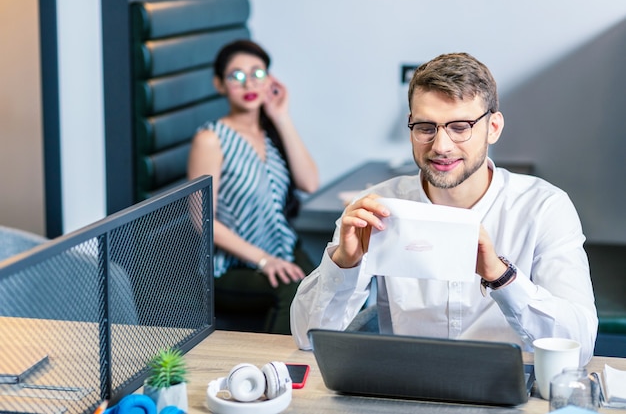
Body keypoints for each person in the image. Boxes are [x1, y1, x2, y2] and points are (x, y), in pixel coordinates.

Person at [290, 52, 598, 364]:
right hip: (407, 391)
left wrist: (500, 275)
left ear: (493, 127)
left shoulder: (543, 207)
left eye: (460, 127)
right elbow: (307, 337)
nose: (441, 146)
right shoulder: (377, 207)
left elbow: (580, 345)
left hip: (509, 396)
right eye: (425, 127)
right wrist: (344, 264)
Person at [188, 39, 319, 334]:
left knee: (330, 285)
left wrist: (281, 116)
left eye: (257, 73)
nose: (249, 83)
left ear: (270, 81)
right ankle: (276, 373)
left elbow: (309, 182)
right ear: (220, 85)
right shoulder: (211, 139)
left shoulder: (268, 132)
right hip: (230, 265)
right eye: (236, 76)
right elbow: (202, 221)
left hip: (280, 245)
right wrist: (263, 260)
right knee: (295, 292)